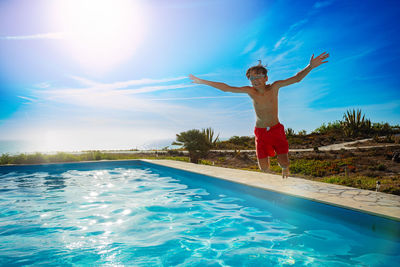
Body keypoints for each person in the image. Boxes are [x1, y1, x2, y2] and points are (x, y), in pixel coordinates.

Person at [189, 52, 329, 178]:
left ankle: (285, 168)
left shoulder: (274, 87)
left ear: (266, 77)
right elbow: (226, 88)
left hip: (276, 130)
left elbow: (297, 78)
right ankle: (271, 182)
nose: (255, 80)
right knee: (263, 168)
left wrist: (310, 67)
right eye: (251, 78)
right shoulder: (251, 91)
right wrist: (203, 81)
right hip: (261, 132)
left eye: (258, 76)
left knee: (283, 162)